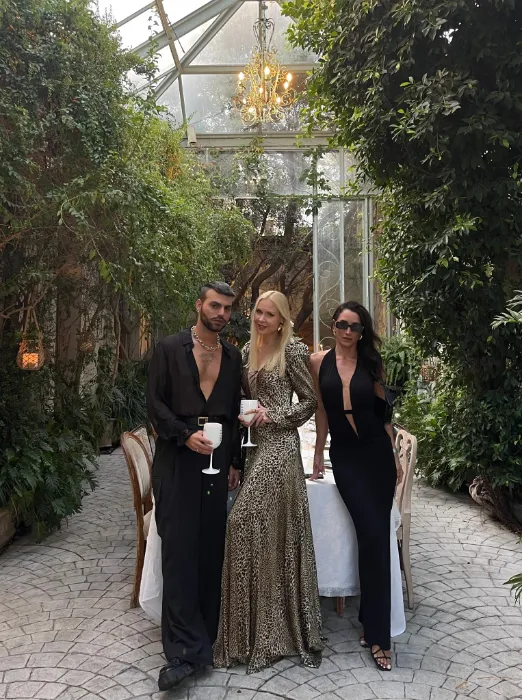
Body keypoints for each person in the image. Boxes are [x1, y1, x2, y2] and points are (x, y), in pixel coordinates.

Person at [214, 290, 324, 674]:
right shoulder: (248, 350)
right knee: (263, 534)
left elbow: (309, 402)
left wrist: (272, 415)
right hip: (253, 447)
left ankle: (271, 631)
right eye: (258, 312)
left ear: (282, 320)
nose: (261, 319)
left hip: (280, 449)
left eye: (270, 314)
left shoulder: (292, 350)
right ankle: (255, 631)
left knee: (240, 521)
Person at [146, 282, 242, 691]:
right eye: (215, 305)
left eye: (228, 308)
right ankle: (182, 652)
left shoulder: (233, 356)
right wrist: (185, 434)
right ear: (199, 305)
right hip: (177, 458)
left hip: (217, 461)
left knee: (209, 551)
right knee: (179, 552)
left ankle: (205, 638)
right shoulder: (169, 348)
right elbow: (154, 405)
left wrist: (234, 461)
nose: (221, 314)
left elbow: (234, 412)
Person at [310, 301, 403, 672]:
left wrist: (394, 455)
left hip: (376, 453)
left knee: (375, 537)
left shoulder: (371, 363)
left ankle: (377, 632)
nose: (348, 332)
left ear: (363, 332)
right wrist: (318, 454)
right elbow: (321, 410)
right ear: (333, 325)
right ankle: (372, 621)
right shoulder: (318, 362)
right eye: (342, 325)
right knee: (370, 533)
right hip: (345, 456)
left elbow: (383, 414)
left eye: (355, 327)